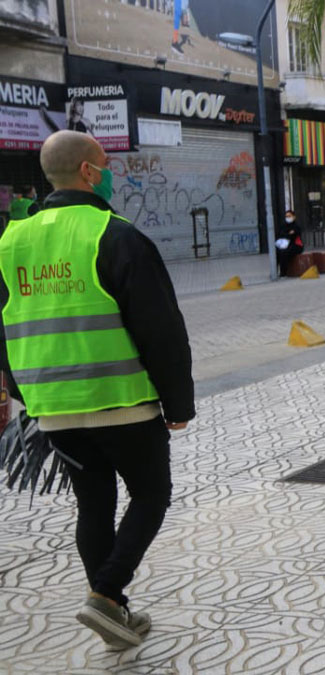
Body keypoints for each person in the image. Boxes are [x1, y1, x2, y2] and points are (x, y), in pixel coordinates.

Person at [0, 130, 194, 650]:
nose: (110, 172)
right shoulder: (116, 236)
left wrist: (24, 393)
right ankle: (105, 595)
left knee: (94, 504)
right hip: (122, 403)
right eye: (105, 163)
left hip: (54, 411)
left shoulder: (10, 243)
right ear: (88, 172)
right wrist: (178, 403)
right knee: (151, 495)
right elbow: (161, 329)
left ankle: (116, 616)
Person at [278, 210, 304, 277]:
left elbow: (292, 236)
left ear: (294, 217)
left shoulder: (296, 226)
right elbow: (281, 234)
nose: (288, 218)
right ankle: (277, 271)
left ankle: (283, 273)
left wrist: (287, 234)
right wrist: (288, 234)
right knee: (278, 252)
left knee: (285, 253)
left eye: (289, 216)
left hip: (296, 246)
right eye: (286, 216)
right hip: (285, 244)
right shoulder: (284, 226)